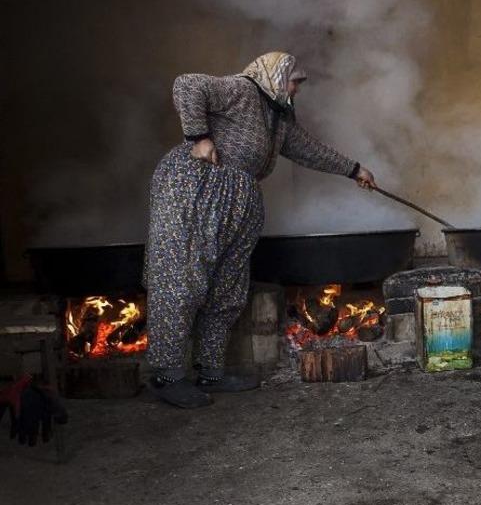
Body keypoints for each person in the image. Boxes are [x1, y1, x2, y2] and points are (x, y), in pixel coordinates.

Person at [144, 51, 375, 408]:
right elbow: (188, 85)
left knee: (227, 287)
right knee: (182, 278)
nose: (297, 89)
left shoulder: (278, 120)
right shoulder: (241, 90)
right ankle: (166, 375)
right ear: (276, 75)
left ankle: (211, 371)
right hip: (197, 188)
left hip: (238, 198)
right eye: (295, 80)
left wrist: (354, 169)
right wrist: (199, 137)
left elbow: (309, 150)